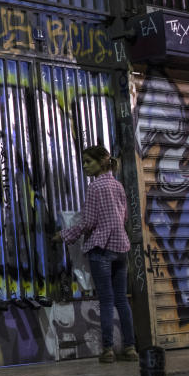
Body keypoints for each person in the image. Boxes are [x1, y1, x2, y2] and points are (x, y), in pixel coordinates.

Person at [52, 145, 137, 363]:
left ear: (101, 162)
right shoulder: (118, 186)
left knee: (106, 300)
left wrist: (64, 234)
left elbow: (88, 223)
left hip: (101, 249)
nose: (84, 166)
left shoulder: (95, 188)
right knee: (121, 300)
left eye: (88, 162)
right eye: (83, 162)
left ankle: (107, 350)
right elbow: (125, 216)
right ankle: (130, 348)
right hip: (121, 249)